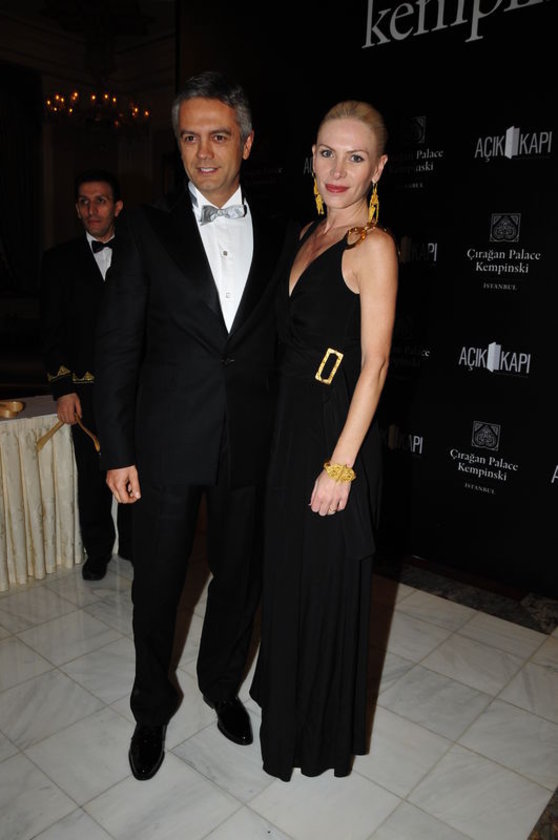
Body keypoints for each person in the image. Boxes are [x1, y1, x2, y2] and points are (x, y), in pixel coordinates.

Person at [93, 71, 295, 781]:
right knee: (156, 587)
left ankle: (220, 686)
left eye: (218, 136)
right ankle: (151, 707)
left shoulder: (283, 232)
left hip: (251, 442)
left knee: (240, 580)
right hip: (165, 443)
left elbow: (284, 347)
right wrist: (116, 449)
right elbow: (117, 346)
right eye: (189, 138)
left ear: (246, 142)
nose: (203, 152)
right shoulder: (145, 228)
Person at [250, 100, 399, 781]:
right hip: (289, 426)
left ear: (378, 169)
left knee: (321, 583)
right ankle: (284, 701)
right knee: (286, 575)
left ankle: (310, 734)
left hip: (334, 432)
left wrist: (340, 467)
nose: (338, 169)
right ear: (310, 156)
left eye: (355, 157)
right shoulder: (305, 232)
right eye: (327, 152)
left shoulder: (373, 246)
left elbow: (375, 364)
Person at [40, 169, 133, 581]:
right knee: (92, 474)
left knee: (137, 464)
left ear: (117, 207)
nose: (92, 209)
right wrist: (62, 388)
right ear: (77, 209)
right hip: (85, 389)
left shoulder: (139, 252)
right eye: (84, 201)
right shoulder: (58, 261)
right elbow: (51, 331)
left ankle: (134, 544)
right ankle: (97, 550)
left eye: (101, 201)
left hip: (135, 388)